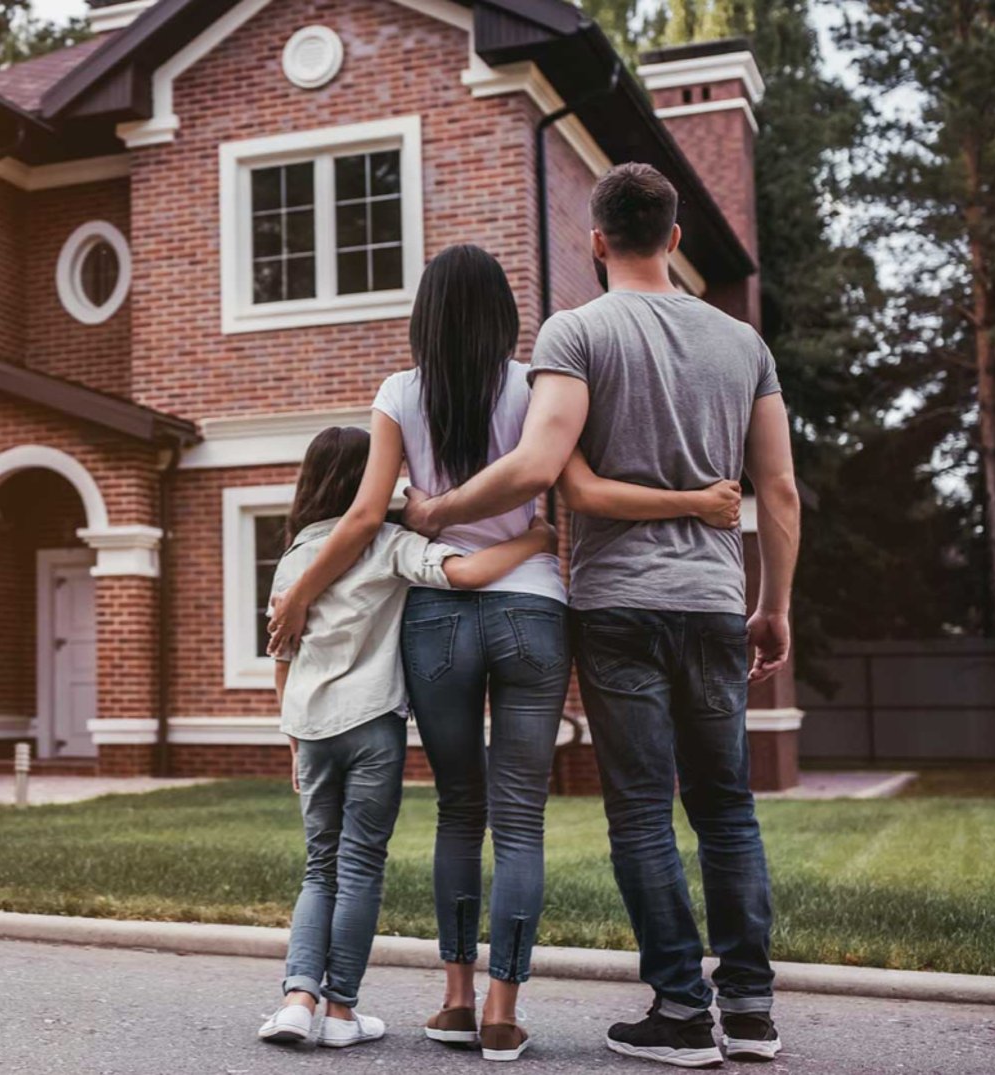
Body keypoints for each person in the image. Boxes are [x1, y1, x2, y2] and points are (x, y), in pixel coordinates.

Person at [266, 244, 740, 1063]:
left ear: (423, 315)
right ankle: (500, 1011)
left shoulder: (399, 393)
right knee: (520, 820)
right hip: (531, 608)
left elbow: (363, 516)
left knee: (459, 808)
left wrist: (303, 590)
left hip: (439, 619)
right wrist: (546, 532)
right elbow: (574, 483)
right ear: (505, 316)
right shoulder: (538, 385)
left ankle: (452, 999)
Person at [398, 164, 802, 1067]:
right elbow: (776, 485)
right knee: (728, 809)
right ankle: (750, 1008)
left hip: (618, 605)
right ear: (676, 237)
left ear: (595, 241)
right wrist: (772, 603)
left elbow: (542, 467)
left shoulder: (576, 332)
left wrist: (439, 509)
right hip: (710, 602)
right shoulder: (744, 345)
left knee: (644, 815)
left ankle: (681, 1011)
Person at [255, 425, 555, 1051]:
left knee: (320, 868)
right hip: (372, 729)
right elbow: (468, 574)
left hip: (309, 731)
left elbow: (281, 654)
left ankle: (295, 999)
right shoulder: (390, 544)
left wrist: (291, 740)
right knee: (360, 867)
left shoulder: (294, 557)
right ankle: (340, 1012)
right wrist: (534, 538)